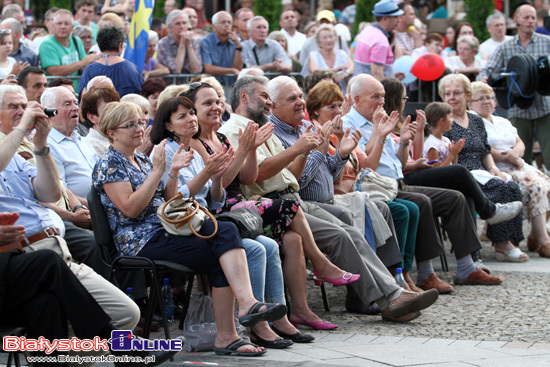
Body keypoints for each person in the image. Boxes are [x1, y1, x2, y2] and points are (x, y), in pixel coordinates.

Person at [219, 75, 439, 321]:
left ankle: (393, 293)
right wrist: (301, 149)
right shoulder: (233, 130)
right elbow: (256, 176)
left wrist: (307, 150)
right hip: (274, 205)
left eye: (299, 97)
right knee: (341, 234)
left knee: (354, 229)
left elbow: (291, 175)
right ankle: (389, 299)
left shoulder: (265, 128)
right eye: (266, 97)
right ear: (244, 97)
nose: (269, 103)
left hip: (293, 199)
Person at [92, 101, 287, 357]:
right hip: (140, 240)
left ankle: (238, 320)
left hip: (164, 229)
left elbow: (170, 200)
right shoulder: (110, 162)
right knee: (224, 245)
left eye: (140, 122)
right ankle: (237, 321)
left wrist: (171, 173)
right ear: (112, 133)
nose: (139, 128)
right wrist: (160, 170)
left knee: (226, 232)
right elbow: (131, 209)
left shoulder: (139, 158)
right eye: (130, 125)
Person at [183, 80, 360, 327]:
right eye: (207, 103)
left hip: (254, 203)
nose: (216, 106)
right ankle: (321, 265)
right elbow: (221, 188)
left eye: (217, 101)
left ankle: (290, 313)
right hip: (227, 210)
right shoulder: (205, 139)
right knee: (296, 212)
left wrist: (300, 150)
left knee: (294, 239)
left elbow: (250, 176)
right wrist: (250, 149)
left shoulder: (223, 137)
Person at [150, 96, 320, 347]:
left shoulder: (193, 149)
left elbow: (214, 200)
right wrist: (210, 172)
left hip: (206, 218)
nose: (191, 119)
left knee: (269, 245)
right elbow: (173, 202)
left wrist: (217, 179)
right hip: (185, 224)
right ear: (168, 125)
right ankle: (257, 321)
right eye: (182, 116)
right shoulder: (165, 150)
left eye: (190, 113)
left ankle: (277, 317)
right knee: (254, 243)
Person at [343, 74, 504, 292]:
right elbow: (365, 165)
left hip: (396, 182)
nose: (382, 101)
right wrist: (380, 133)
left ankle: (467, 266)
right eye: (375, 97)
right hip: (377, 188)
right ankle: (424, 273)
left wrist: (404, 144)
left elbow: (398, 164)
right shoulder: (350, 123)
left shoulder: (379, 118)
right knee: (422, 201)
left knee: (455, 198)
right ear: (356, 99)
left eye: (383, 96)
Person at [305, 80, 422, 292]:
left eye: (340, 106)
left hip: (356, 193)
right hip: (338, 197)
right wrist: (340, 149)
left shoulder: (340, 132)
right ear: (315, 111)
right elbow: (332, 182)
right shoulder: (314, 134)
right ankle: (379, 285)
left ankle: (395, 277)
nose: (338, 111)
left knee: (392, 208)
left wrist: (380, 135)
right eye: (331, 107)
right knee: (389, 209)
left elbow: (368, 165)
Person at [440, 73, 528, 262]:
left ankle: (505, 243)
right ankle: (503, 244)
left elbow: (485, 151)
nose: (452, 98)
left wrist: (493, 169)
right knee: (499, 189)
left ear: (467, 96)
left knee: (511, 186)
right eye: (448, 94)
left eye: (457, 93)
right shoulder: (444, 121)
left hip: (480, 171)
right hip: (459, 172)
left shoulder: (477, 121)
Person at [470, 81, 550, 259]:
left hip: (517, 163)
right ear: (471, 102)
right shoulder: (474, 121)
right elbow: (484, 148)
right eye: (481, 98)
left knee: (547, 184)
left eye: (490, 98)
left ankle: (535, 234)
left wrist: (516, 152)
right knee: (536, 187)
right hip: (497, 168)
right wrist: (507, 157)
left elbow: (519, 141)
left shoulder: (502, 121)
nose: (487, 102)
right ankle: (544, 240)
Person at [481, 4, 550, 170]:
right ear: (516, 19)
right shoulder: (506, 47)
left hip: (544, 108)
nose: (530, 21)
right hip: (519, 110)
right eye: (526, 17)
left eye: (533, 17)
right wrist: (483, 80)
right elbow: (488, 69)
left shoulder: (546, 42)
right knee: (521, 161)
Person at [42, 86, 97, 202]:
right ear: (49, 112)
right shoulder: (47, 145)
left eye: (75, 103)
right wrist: (97, 208)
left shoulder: (82, 139)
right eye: (67, 104)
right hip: (83, 210)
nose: (76, 108)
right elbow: (61, 194)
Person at [39, 9, 100, 90]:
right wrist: (83, 62)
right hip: (55, 91)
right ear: (53, 26)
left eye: (66, 24)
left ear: (72, 27)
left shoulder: (76, 40)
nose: (63, 27)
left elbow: (85, 64)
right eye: (59, 23)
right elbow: (54, 71)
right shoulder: (47, 44)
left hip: (75, 90)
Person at [79, 26, 143, 98]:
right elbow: (141, 96)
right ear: (120, 46)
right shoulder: (133, 69)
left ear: (99, 47)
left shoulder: (90, 70)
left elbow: (83, 100)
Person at [354, 0, 403, 80]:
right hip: (370, 89)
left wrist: (391, 77)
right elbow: (377, 74)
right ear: (384, 18)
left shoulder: (367, 30)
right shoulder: (380, 40)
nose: (399, 20)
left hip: (362, 86)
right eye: (395, 17)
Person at [304, 24, 353, 91]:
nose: (328, 40)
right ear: (319, 42)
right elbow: (315, 71)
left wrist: (345, 73)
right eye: (325, 38)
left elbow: (352, 66)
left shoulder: (342, 53)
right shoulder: (314, 55)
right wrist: (335, 70)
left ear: (335, 39)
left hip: (342, 93)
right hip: (321, 92)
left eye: (331, 37)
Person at [200, 11, 243, 84]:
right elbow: (207, 68)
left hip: (231, 85)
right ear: (214, 26)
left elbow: (238, 68)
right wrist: (231, 70)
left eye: (229, 22)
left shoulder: (235, 41)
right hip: (212, 86)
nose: (227, 25)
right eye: (223, 22)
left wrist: (238, 46)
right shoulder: (205, 41)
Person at [157, 10, 202, 75]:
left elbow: (196, 70)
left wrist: (189, 46)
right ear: (170, 28)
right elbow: (176, 70)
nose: (182, 27)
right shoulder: (163, 43)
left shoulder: (194, 42)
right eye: (178, 24)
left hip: (189, 83)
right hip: (170, 84)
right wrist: (182, 45)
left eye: (184, 23)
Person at [81, 85, 121, 156]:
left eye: (117, 107)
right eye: (108, 109)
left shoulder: (123, 137)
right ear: (92, 117)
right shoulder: (91, 146)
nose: (115, 113)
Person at [423, 101, 464, 167]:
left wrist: (455, 152)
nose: (452, 120)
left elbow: (454, 165)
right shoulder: (431, 144)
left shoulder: (446, 140)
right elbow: (436, 170)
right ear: (442, 121)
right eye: (450, 117)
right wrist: (452, 154)